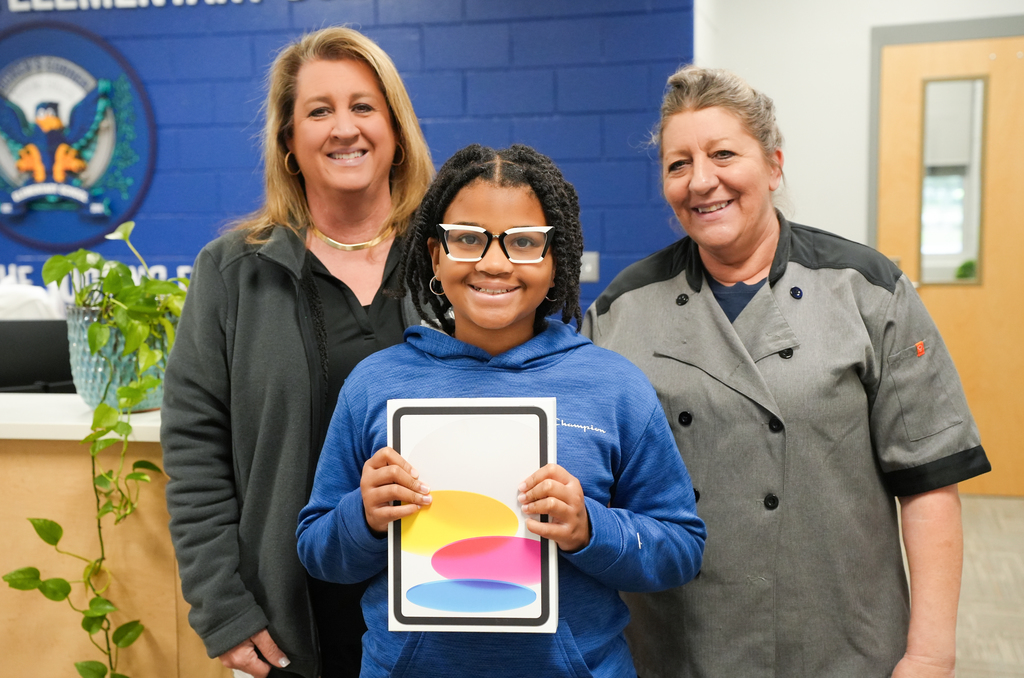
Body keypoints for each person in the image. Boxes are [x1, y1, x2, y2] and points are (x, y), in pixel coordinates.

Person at [582, 65, 991, 678]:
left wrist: (930, 654)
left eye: (723, 154)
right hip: (676, 644)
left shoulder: (868, 291)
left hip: (839, 638)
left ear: (773, 166)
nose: (701, 181)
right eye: (677, 164)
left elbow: (929, 484)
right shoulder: (622, 309)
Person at [295, 144, 707, 677]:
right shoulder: (376, 384)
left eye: (524, 243)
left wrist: (590, 528)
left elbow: (681, 547)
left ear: (556, 259)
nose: (494, 262)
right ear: (435, 256)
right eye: (467, 239)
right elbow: (317, 549)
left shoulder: (613, 386)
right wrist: (364, 517)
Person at [160, 27, 433, 678]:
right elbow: (196, 453)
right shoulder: (233, 271)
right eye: (319, 110)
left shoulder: (452, 255)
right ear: (288, 140)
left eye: (364, 106)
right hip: (291, 620)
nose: (345, 128)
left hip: (441, 609)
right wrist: (223, 607)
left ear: (395, 128)